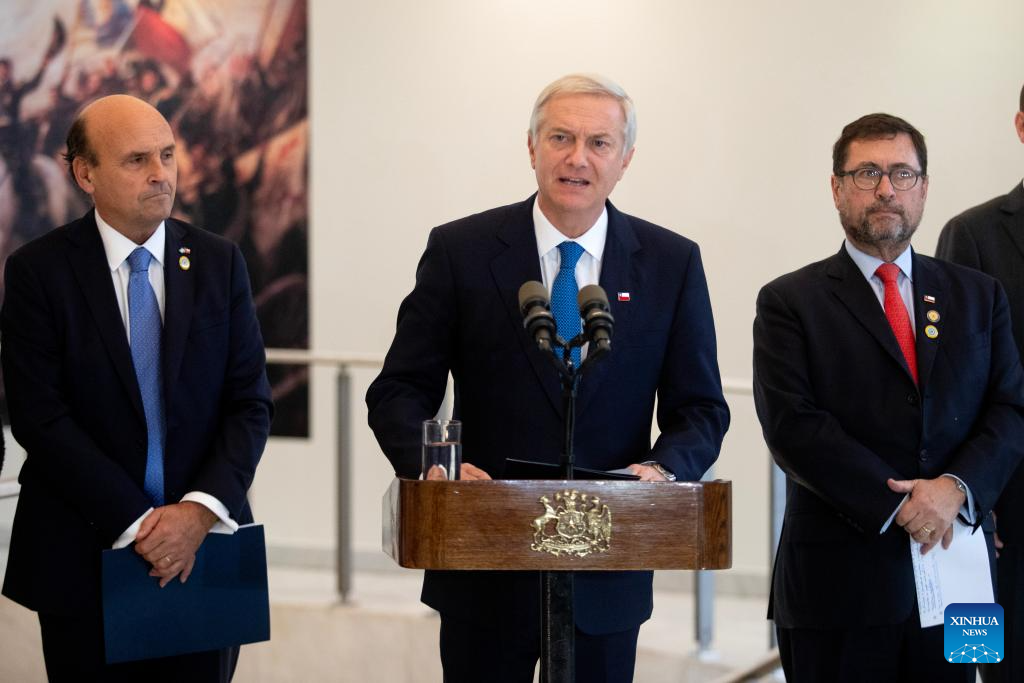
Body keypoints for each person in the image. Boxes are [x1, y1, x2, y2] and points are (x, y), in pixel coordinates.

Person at [365, 73, 730, 682]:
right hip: (483, 562)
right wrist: (436, 466)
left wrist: (664, 472)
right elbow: (398, 391)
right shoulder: (461, 249)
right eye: (560, 137)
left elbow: (701, 409)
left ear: (625, 160)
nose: (577, 158)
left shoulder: (672, 262)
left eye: (599, 143)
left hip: (607, 567)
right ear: (531, 146)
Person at [0, 94, 273, 681]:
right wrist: (141, 524)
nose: (160, 173)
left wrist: (196, 514)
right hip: (83, 554)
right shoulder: (37, 272)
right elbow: (40, 417)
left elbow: (249, 404)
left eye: (167, 155)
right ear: (85, 174)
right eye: (137, 159)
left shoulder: (220, 262)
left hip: (203, 549)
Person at [753, 112, 1024, 682]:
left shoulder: (979, 295)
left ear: (923, 187)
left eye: (902, 173)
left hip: (958, 574)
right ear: (836, 188)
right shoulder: (789, 301)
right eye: (867, 173)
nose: (885, 189)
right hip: (838, 587)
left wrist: (956, 489)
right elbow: (793, 427)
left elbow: (1009, 409)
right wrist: (903, 505)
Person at [935, 83, 1024, 683]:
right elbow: (950, 386)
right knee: (990, 664)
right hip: (1003, 510)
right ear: (1021, 126)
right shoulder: (974, 234)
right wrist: (973, 498)